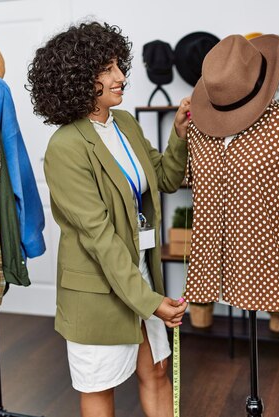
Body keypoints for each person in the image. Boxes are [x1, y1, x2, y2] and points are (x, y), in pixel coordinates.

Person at [27, 21, 190, 417]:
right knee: (100, 387)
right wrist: (150, 303)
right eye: (108, 69)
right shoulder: (65, 147)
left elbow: (165, 178)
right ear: (79, 78)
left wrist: (180, 135)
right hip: (98, 289)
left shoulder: (127, 126)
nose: (121, 77)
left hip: (139, 273)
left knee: (157, 369)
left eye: (119, 65)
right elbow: (98, 237)